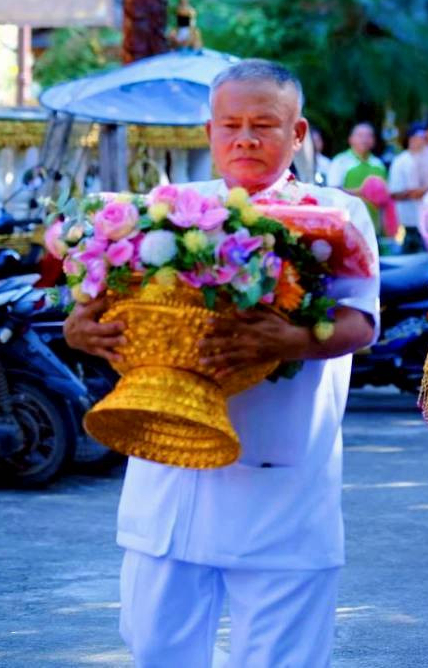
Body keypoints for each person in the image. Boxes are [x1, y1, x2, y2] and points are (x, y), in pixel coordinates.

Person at [63, 60, 379, 667]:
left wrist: (287, 340)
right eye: (230, 124)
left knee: (279, 658)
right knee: (155, 647)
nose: (246, 138)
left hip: (279, 477)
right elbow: (97, 306)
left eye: (264, 124)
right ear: (208, 132)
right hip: (169, 471)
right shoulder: (162, 209)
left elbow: (361, 322)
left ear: (299, 132)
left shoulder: (334, 216)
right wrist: (82, 331)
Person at [388, 123, 428, 254]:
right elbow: (394, 193)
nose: (424, 140)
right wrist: (421, 191)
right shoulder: (400, 161)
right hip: (407, 224)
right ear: (411, 138)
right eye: (421, 136)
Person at [326, 122, 386, 189]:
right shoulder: (340, 161)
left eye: (369, 136)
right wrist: (362, 192)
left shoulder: (378, 164)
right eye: (360, 135)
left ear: (374, 141)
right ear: (350, 139)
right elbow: (333, 190)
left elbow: (385, 192)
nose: (364, 140)